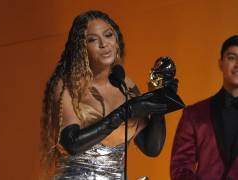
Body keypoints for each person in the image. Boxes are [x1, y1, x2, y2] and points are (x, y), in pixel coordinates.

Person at [40, 10, 171, 180]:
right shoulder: (67, 85)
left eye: (108, 35)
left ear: (116, 41)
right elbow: (72, 142)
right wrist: (123, 113)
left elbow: (151, 148)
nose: (104, 44)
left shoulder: (125, 84)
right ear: (82, 49)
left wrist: (160, 100)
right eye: (93, 40)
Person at [170, 35, 238, 180]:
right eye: (232, 57)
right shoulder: (193, 114)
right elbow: (180, 168)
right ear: (221, 63)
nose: (237, 64)